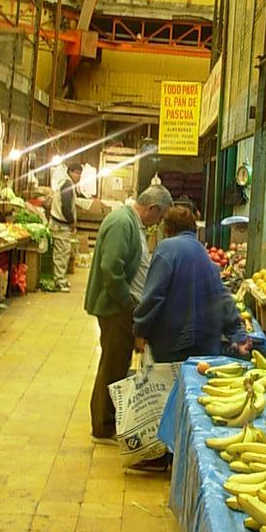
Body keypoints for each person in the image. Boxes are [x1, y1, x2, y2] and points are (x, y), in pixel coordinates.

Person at [85, 184, 173, 445]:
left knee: (116, 363)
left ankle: (106, 421)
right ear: (152, 208)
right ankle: (102, 427)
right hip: (115, 308)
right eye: (159, 217)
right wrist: (127, 303)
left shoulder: (131, 223)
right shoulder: (123, 222)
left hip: (120, 306)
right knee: (113, 365)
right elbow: (111, 268)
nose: (158, 223)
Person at [133, 205, 251, 363]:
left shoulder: (166, 249)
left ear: (167, 229)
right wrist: (238, 335)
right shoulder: (204, 253)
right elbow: (223, 296)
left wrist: (140, 330)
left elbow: (154, 296)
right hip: (206, 346)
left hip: (172, 344)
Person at [49, 162, 82, 293]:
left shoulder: (66, 183)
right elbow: (66, 207)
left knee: (63, 252)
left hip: (60, 224)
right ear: (71, 172)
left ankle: (60, 278)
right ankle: (59, 281)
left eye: (80, 174)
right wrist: (71, 222)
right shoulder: (67, 185)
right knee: (61, 253)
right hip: (61, 225)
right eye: (77, 173)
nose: (79, 176)